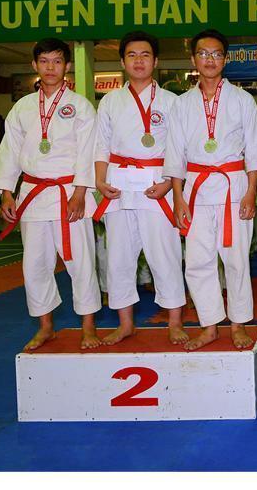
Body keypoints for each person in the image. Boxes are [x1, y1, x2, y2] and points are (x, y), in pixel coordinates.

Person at [0, 37, 101, 351]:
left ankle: (88, 327)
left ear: (67, 66)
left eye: (57, 61)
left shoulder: (80, 106)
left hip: (69, 193)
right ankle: (46, 326)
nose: (51, 68)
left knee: (81, 262)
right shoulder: (22, 108)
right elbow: (10, 151)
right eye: (45, 61)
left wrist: (81, 191)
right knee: (35, 264)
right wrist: (7, 193)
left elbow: (88, 151)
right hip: (33, 194)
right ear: (34, 65)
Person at [164, 28, 257, 350]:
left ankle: (237, 325)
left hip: (234, 187)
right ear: (193, 59)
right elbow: (175, 154)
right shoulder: (181, 104)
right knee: (197, 262)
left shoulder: (242, 99)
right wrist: (178, 198)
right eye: (203, 54)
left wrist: (251, 191)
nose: (210, 60)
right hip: (195, 189)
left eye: (217, 54)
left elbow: (254, 149)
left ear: (225, 59)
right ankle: (209, 326)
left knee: (236, 260)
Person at [93, 30, 187, 346]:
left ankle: (174, 321)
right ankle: (126, 323)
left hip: (157, 183)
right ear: (122, 62)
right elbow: (101, 145)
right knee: (118, 256)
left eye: (145, 55)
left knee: (165, 254)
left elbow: (180, 149)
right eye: (131, 55)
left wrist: (168, 184)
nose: (138, 61)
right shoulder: (110, 101)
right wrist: (100, 180)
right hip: (119, 184)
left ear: (156, 61)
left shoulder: (172, 102)